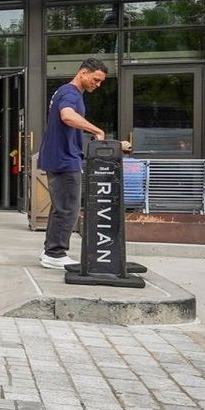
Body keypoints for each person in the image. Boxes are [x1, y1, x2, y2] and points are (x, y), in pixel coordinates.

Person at [38, 58, 128, 268]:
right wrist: (97, 131)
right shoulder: (70, 93)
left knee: (61, 207)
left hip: (60, 157)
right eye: (96, 80)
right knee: (69, 207)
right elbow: (67, 116)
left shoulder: (65, 92)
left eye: (100, 82)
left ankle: (50, 250)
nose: (97, 85)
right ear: (83, 73)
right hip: (64, 159)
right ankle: (55, 254)